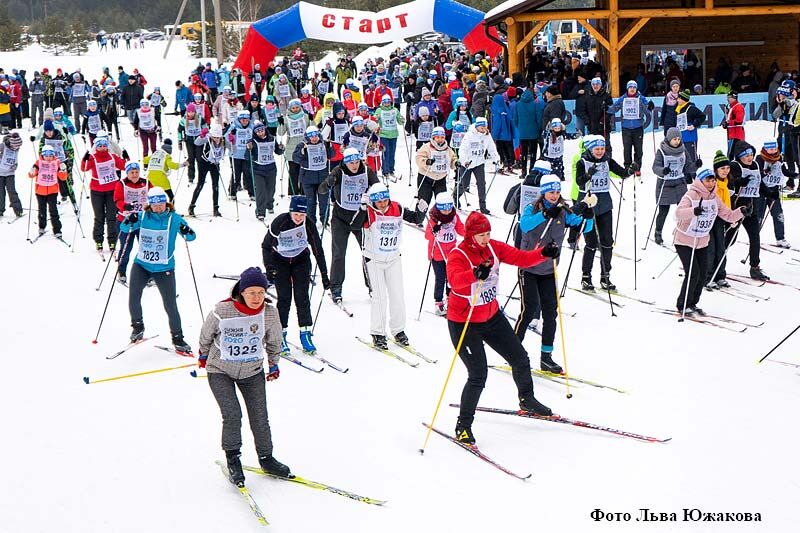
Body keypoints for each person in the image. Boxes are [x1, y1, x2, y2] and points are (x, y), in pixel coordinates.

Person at [446, 210, 559, 444]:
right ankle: (463, 425)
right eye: (481, 235)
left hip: (491, 316)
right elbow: (455, 282)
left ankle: (527, 399)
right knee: (478, 374)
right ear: (470, 235)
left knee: (519, 357)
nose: (486, 239)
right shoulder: (459, 254)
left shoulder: (493, 248)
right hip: (464, 322)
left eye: (488, 233)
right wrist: (474, 274)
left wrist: (543, 253)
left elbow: (521, 258)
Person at [198, 266, 289, 486]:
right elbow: (206, 333)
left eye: (261, 292)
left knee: (259, 416)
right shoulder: (222, 310)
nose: (256, 297)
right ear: (242, 291)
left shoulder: (269, 313)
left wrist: (273, 364)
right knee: (232, 414)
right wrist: (203, 354)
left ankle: (266, 458)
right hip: (220, 370)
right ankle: (233, 457)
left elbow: (274, 340)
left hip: (252, 371)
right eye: (251, 292)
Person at [516, 175, 595, 372]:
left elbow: (585, 227)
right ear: (543, 193)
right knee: (529, 309)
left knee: (551, 312)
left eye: (558, 192)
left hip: (548, 269)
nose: (555, 195)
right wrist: (544, 215)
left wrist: (589, 215)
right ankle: (513, 351)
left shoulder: (563, 212)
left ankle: (546, 356)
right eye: (551, 192)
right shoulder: (532, 208)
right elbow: (524, 225)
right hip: (528, 267)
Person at [121, 186, 195, 353]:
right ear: (150, 205)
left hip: (164, 268)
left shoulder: (174, 219)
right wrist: (129, 220)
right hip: (141, 265)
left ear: (166, 204)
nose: (159, 207)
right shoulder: (143, 216)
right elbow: (124, 229)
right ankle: (137, 327)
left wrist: (186, 230)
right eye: (155, 205)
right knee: (134, 296)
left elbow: (191, 237)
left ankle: (178, 338)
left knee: (170, 304)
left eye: (162, 204)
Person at [674, 168, 746, 316]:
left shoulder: (714, 197)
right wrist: (694, 210)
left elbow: (728, 215)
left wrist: (741, 212)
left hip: (702, 241)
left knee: (702, 274)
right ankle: (683, 304)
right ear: (700, 181)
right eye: (708, 180)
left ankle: (693, 303)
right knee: (693, 273)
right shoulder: (691, 194)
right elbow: (678, 213)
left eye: (713, 180)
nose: (711, 182)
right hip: (684, 240)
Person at [262, 196, 329, 353]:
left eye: (302, 215)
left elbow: (318, 251)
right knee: (284, 298)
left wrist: (324, 274)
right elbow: (266, 246)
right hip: (280, 261)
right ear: (291, 212)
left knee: (302, 297)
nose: (299, 218)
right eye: (296, 214)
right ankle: (281, 335)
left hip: (301, 260)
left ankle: (305, 333)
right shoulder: (280, 222)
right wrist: (269, 268)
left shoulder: (309, 225)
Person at [319, 147, 379, 303]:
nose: (354, 165)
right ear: (345, 162)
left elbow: (379, 189)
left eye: (357, 162)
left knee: (368, 253)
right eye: (351, 162)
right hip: (341, 219)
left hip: (361, 219)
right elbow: (322, 189)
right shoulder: (339, 171)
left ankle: (372, 285)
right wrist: (328, 183)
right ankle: (336, 288)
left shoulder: (367, 172)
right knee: (339, 254)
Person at [575, 136, 633, 290]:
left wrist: (630, 170)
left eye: (602, 149)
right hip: (588, 204)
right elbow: (579, 181)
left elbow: (622, 172)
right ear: (590, 149)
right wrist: (589, 174)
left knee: (607, 241)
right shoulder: (582, 162)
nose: (600, 152)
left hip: (605, 205)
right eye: (597, 149)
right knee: (592, 242)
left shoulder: (607, 161)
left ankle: (605, 276)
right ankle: (586, 277)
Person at [362, 183, 408, 350]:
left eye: (385, 200)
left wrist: (422, 208)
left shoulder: (397, 208)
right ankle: (378, 333)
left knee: (397, 295)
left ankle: (398, 330)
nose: (382, 204)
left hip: (394, 259)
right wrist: (360, 209)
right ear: (373, 202)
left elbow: (416, 218)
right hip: (373, 260)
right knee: (379, 297)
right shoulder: (367, 213)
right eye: (378, 202)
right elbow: (351, 223)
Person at [728, 140, 768, 280]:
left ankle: (754, 267)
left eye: (751, 154)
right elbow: (728, 182)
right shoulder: (734, 165)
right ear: (739, 156)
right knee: (729, 239)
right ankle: (714, 265)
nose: (749, 157)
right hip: (736, 209)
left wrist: (769, 192)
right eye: (746, 155)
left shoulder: (756, 164)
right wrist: (738, 182)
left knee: (755, 237)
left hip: (751, 209)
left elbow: (758, 183)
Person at [81, 137, 128, 253]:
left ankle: (112, 240)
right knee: (99, 216)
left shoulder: (112, 157)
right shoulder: (93, 158)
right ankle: (98, 240)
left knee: (112, 216)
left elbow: (124, 166)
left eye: (104, 145)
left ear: (107, 146)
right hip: (96, 191)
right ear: (96, 147)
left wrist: (126, 157)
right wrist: (84, 159)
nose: (102, 148)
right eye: (99, 146)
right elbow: (84, 168)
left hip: (112, 190)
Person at [424, 192, 465, 315]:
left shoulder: (454, 217)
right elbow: (427, 235)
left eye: (449, 208)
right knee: (440, 278)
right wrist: (434, 230)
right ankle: (438, 302)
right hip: (437, 254)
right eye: (444, 209)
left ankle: (451, 298)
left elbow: (461, 229)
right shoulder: (434, 219)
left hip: (451, 252)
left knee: (451, 277)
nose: (447, 212)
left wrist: (470, 235)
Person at [404, 126, 455, 225]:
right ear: (433, 138)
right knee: (424, 201)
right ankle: (418, 219)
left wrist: (455, 163)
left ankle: (442, 221)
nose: (440, 139)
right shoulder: (427, 147)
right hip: (426, 177)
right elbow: (419, 158)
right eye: (437, 137)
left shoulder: (448, 149)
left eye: (442, 137)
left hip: (440, 178)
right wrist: (426, 161)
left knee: (441, 200)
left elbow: (452, 159)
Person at [651, 127, 693, 245]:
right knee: (664, 210)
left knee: (684, 210)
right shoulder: (662, 150)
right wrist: (663, 170)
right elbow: (655, 167)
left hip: (679, 183)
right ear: (669, 139)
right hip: (665, 184)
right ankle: (658, 232)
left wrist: (696, 165)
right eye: (674, 139)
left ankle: (684, 231)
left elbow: (688, 166)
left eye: (679, 139)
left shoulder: (683, 150)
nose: (677, 141)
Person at [113, 162, 149, 285]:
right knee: (126, 248)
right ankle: (122, 272)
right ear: (127, 173)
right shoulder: (121, 183)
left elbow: (153, 196)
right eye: (132, 172)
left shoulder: (146, 183)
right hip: (125, 220)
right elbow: (117, 200)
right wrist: (126, 206)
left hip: (142, 220)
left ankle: (148, 273)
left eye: (136, 172)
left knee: (145, 247)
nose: (134, 175)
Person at [609, 80, 653, 177]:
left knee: (638, 149)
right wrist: (606, 108)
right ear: (627, 88)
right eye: (630, 87)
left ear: (636, 89)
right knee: (627, 148)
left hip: (638, 127)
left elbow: (647, 109)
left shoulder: (640, 98)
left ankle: (637, 167)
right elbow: (614, 108)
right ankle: (628, 167)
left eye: (634, 87)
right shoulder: (623, 98)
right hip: (626, 128)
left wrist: (650, 107)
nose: (632, 89)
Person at [456, 117, 499, 213]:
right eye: (481, 127)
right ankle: (455, 197)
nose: (483, 129)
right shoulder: (470, 135)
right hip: (468, 163)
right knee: (465, 184)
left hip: (479, 162)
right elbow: (462, 150)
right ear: (477, 127)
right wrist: (464, 161)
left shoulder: (487, 135)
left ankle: (483, 206)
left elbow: (492, 148)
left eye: (485, 127)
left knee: (481, 184)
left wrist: (496, 159)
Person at [292, 125, 334, 224]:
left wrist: (330, 147)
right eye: (312, 137)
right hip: (308, 178)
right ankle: (311, 221)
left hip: (323, 177)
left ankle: (324, 220)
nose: (314, 139)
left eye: (316, 136)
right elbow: (295, 158)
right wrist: (302, 153)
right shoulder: (302, 145)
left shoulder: (323, 144)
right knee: (310, 202)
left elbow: (331, 155)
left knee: (324, 201)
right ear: (307, 137)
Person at [705, 151, 734, 289]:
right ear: (716, 169)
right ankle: (708, 276)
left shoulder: (727, 183)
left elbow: (727, 203)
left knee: (721, 248)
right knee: (711, 248)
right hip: (710, 219)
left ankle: (720, 275)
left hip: (721, 219)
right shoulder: (712, 183)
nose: (725, 171)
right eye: (722, 168)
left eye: (727, 168)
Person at [756, 139, 790, 248]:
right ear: (765, 149)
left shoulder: (779, 158)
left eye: (775, 148)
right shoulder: (759, 158)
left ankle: (780, 238)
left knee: (778, 214)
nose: (773, 151)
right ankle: (755, 237)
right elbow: (757, 175)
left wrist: (793, 175)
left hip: (774, 191)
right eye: (770, 149)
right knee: (759, 216)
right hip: (761, 191)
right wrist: (764, 172)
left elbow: (784, 171)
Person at [28, 145, 68, 237]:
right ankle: (42, 227)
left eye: (51, 155)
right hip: (40, 191)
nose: (49, 157)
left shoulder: (57, 162)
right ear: (43, 155)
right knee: (42, 210)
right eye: (46, 155)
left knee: (53, 210)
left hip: (52, 191)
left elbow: (63, 178)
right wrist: (32, 171)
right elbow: (31, 175)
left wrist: (63, 170)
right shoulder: (38, 163)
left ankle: (57, 229)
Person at [248, 120, 284, 220]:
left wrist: (281, 148)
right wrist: (249, 149)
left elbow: (277, 151)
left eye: (262, 130)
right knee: (260, 191)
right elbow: (247, 156)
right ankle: (260, 211)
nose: (260, 133)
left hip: (271, 168)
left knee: (270, 189)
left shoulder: (272, 138)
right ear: (255, 132)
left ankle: (269, 204)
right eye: (258, 131)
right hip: (258, 169)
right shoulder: (252, 141)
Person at [190, 124, 227, 217]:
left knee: (216, 186)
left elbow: (233, 149)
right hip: (204, 163)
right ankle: (192, 206)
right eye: (214, 137)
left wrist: (232, 140)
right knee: (200, 184)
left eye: (218, 138)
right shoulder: (207, 139)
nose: (216, 140)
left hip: (215, 164)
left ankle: (216, 208)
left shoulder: (223, 141)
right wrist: (201, 135)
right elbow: (196, 142)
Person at [278, 99, 310, 196]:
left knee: (304, 171)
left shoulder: (305, 117)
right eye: (293, 108)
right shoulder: (286, 118)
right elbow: (280, 133)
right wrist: (281, 123)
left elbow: (312, 129)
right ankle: (293, 192)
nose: (295, 109)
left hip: (304, 147)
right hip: (291, 148)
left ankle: (304, 192)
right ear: (290, 108)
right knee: (293, 172)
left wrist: (312, 120)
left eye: (297, 107)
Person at [226, 110, 254, 200]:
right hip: (236, 154)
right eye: (242, 120)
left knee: (248, 173)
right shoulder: (233, 126)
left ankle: (252, 193)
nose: (244, 121)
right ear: (239, 119)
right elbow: (226, 137)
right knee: (236, 173)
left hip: (247, 154)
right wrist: (231, 136)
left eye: (246, 120)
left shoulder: (252, 127)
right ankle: (232, 192)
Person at [375, 95, 404, 179]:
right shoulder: (379, 110)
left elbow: (400, 121)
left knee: (392, 153)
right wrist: (376, 118)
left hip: (394, 134)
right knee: (385, 153)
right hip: (384, 135)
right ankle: (385, 171)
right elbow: (375, 118)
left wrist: (402, 120)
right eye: (385, 102)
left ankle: (391, 169)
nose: (387, 104)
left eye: (388, 102)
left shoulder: (395, 110)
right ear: (382, 103)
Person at [178, 103, 207, 185]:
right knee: (191, 158)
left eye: (192, 112)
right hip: (189, 141)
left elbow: (205, 127)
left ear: (195, 112)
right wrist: (179, 141)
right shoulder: (183, 120)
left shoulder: (200, 118)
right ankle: (191, 177)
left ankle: (201, 177)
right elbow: (179, 130)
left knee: (199, 158)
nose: (190, 114)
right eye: (189, 112)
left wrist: (204, 132)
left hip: (199, 140)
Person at [0, 132, 24, 218]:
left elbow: (15, 159)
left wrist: (15, 165)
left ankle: (18, 210)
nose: (16, 148)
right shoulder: (2, 146)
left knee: (12, 191)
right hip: (0, 173)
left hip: (10, 173)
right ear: (11, 143)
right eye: (15, 146)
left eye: (18, 147)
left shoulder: (16, 148)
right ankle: (0, 209)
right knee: (1, 192)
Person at [723, 91, 746, 158]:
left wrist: (728, 123)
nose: (728, 99)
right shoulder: (733, 107)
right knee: (731, 154)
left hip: (736, 135)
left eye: (729, 97)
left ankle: (732, 167)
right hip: (733, 134)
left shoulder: (738, 107)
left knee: (732, 155)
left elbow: (739, 121)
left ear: (734, 98)